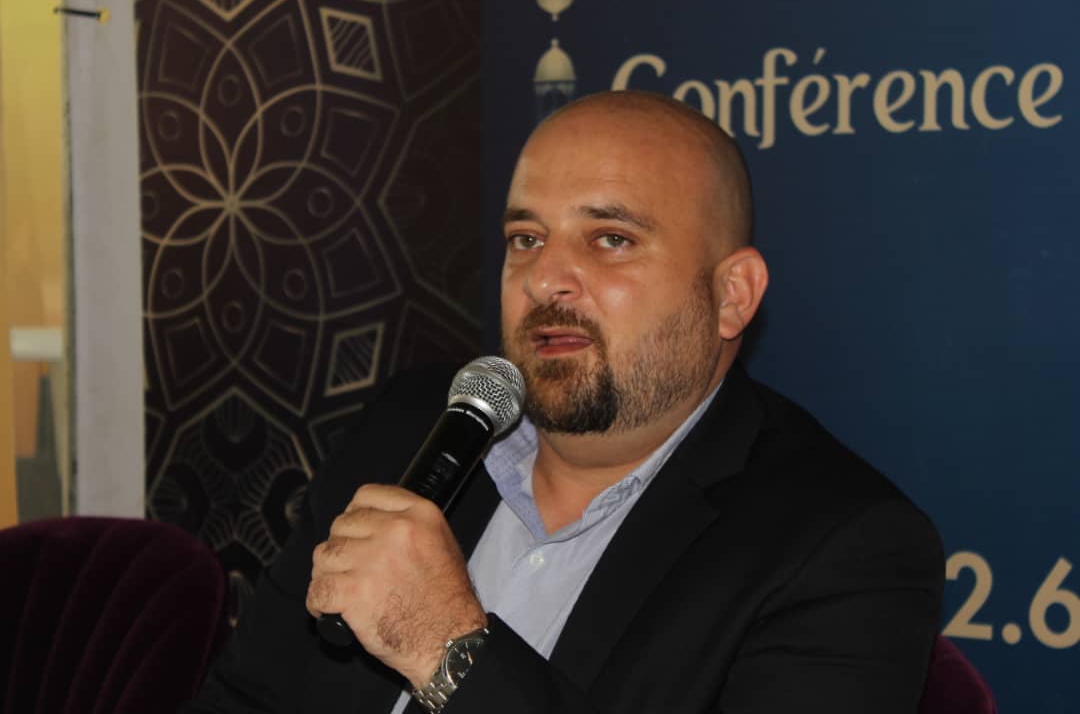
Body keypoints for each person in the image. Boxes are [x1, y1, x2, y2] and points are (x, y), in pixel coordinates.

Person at [184, 90, 944, 714]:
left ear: (732, 295)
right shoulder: (413, 425)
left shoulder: (843, 547)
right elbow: (245, 699)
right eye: (526, 238)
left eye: (610, 239)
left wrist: (451, 652)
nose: (545, 279)